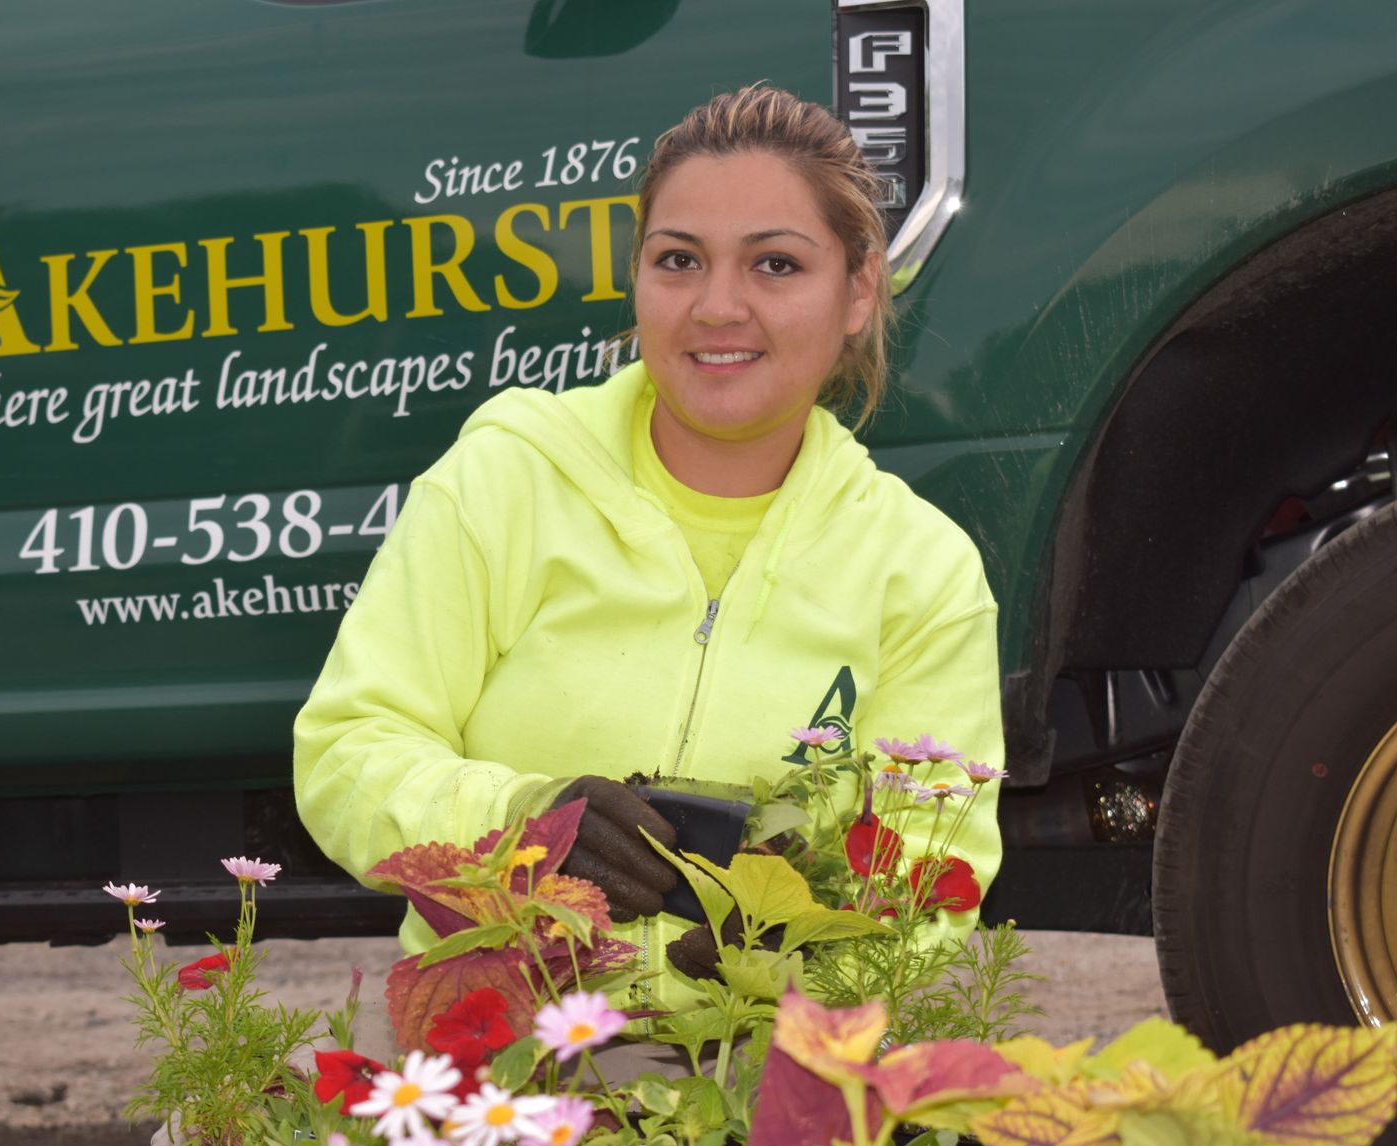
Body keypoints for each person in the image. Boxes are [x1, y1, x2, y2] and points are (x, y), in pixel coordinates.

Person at [293, 84, 1003, 1013]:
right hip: (494, 1063)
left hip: (760, 1077)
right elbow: (348, 751)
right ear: (638, 279)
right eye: (679, 261)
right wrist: (523, 828)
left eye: (776, 266)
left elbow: (932, 873)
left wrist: (794, 971)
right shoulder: (507, 477)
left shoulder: (923, 571)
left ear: (860, 289)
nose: (717, 307)